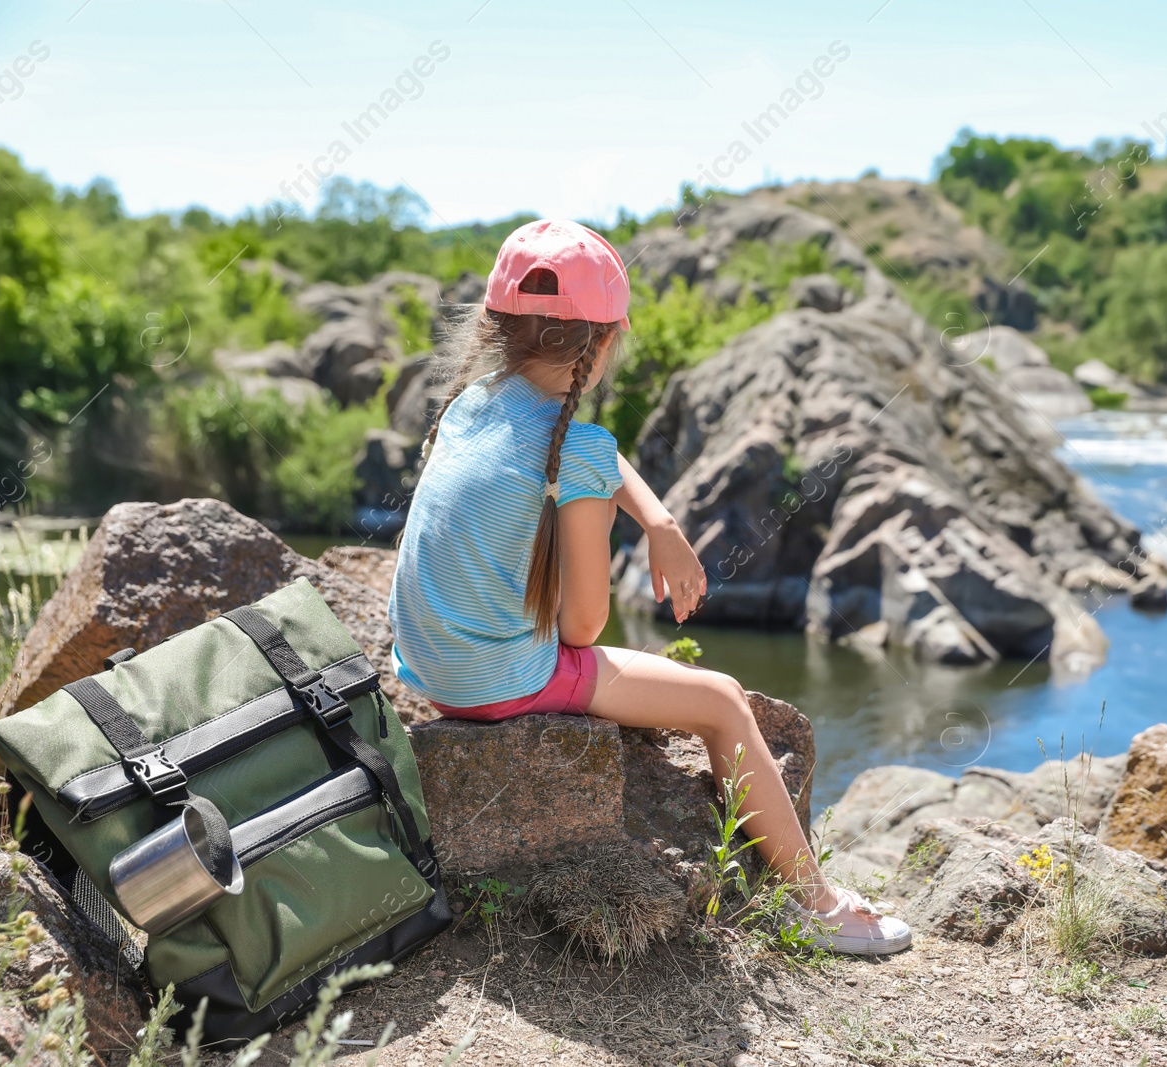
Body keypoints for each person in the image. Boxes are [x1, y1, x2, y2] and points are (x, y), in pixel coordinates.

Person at [388, 219, 910, 956]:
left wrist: (656, 516)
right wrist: (622, 509)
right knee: (723, 700)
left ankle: (815, 900)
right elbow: (581, 630)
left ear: (494, 325)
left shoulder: (469, 405)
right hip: (496, 683)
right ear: (603, 344)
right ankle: (816, 904)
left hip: (429, 664)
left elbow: (592, 455)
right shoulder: (578, 449)